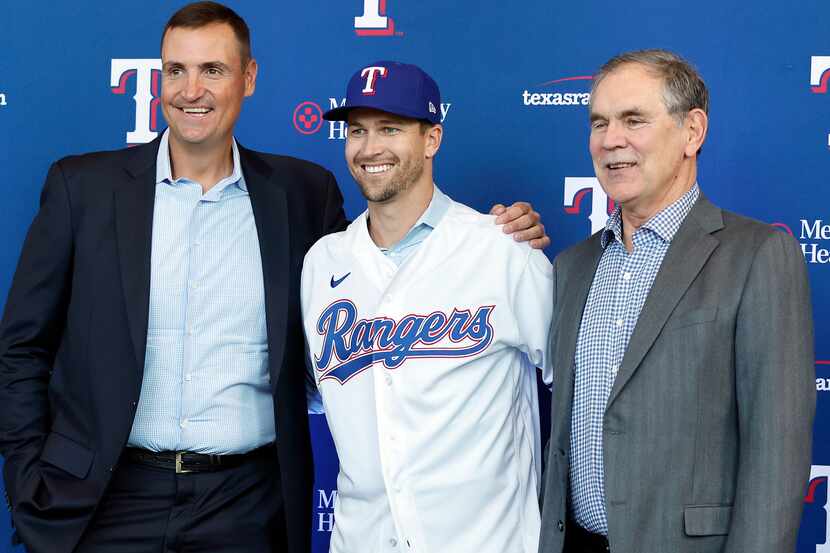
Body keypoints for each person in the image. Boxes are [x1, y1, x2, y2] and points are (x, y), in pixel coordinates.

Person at [0, 4, 548, 553]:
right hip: (109, 496)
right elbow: (22, 347)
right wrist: (29, 480)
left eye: (212, 70)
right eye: (175, 70)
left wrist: (503, 232)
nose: (191, 90)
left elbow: (378, 287)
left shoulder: (302, 195)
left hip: (246, 502)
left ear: (249, 77)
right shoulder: (83, 188)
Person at [538, 49, 815, 553]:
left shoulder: (756, 255)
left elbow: (776, 451)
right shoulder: (571, 267)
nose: (610, 140)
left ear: (692, 132)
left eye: (633, 120)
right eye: (599, 123)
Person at [300, 61, 553, 553]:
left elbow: (579, 389)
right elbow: (316, 395)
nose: (369, 148)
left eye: (390, 129)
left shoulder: (502, 249)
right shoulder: (321, 263)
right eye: (357, 131)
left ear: (432, 139)